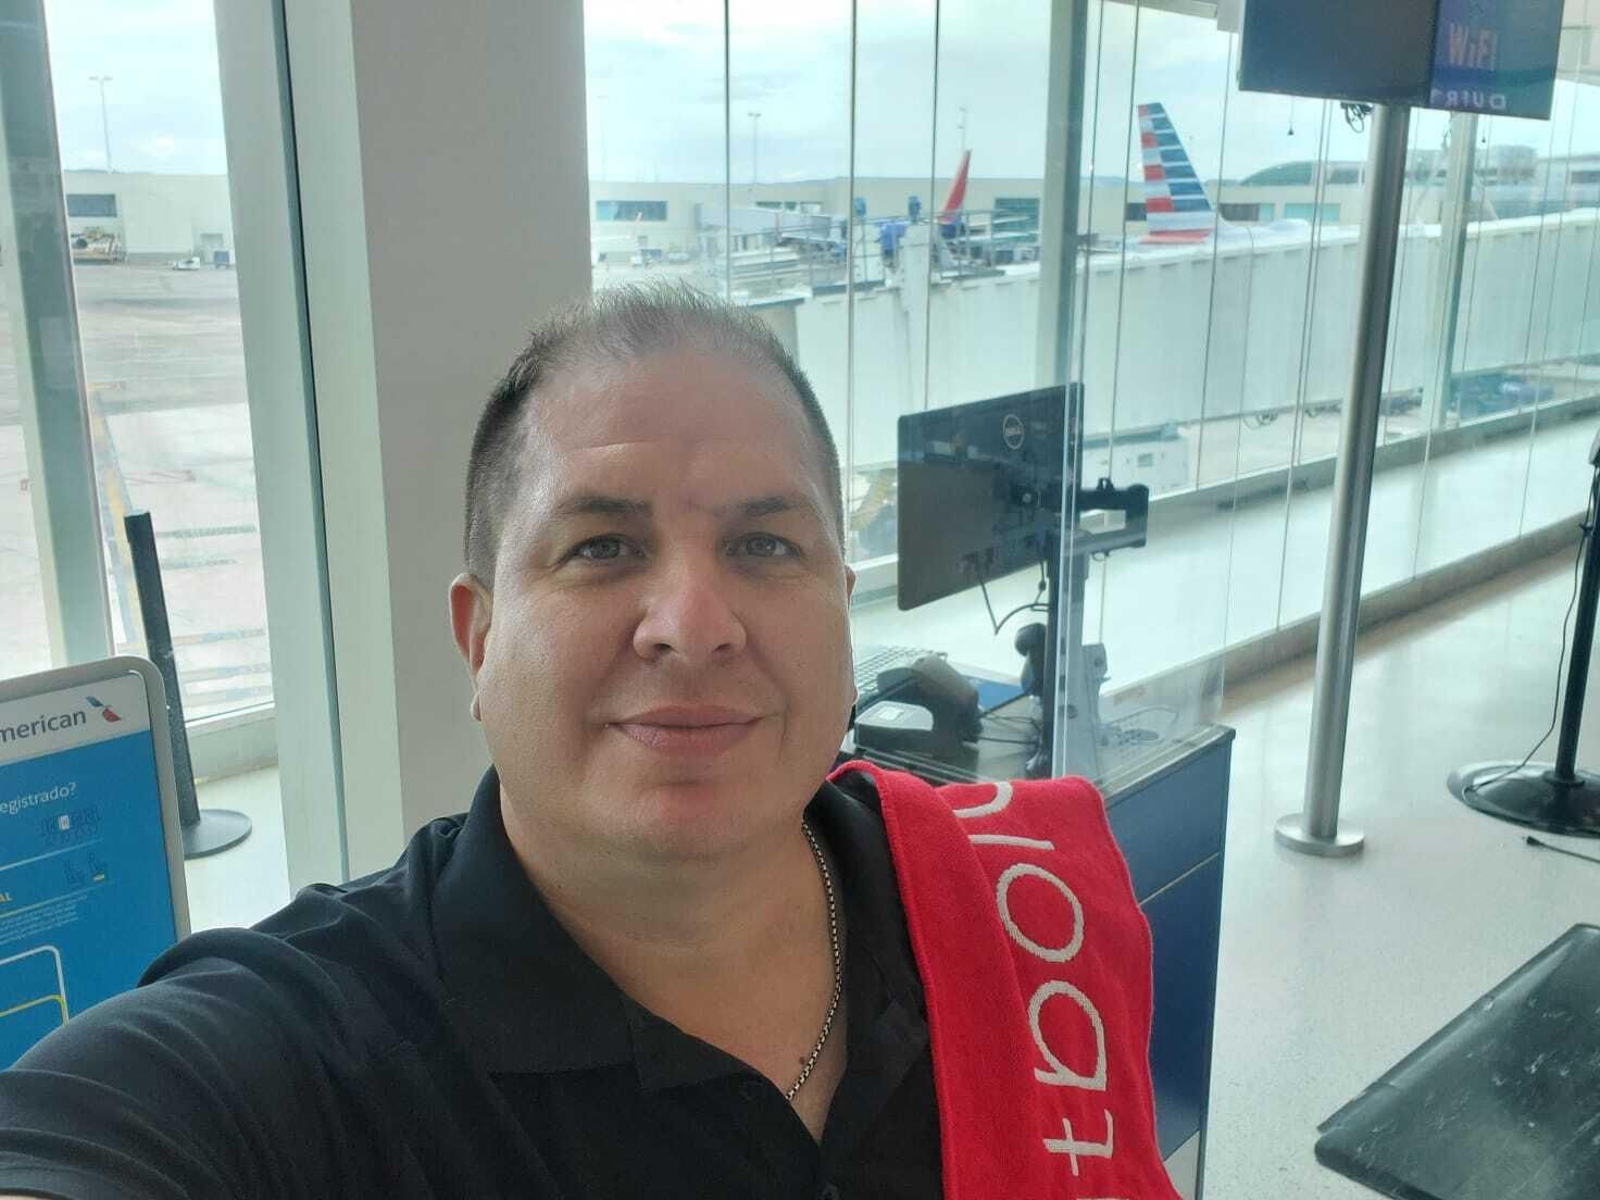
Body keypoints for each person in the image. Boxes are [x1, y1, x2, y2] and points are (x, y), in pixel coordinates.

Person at [0, 285, 943, 1199]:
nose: (693, 626)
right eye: (602, 546)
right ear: (480, 641)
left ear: (843, 618)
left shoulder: (1008, 905)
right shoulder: (307, 1050)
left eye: (767, 545)